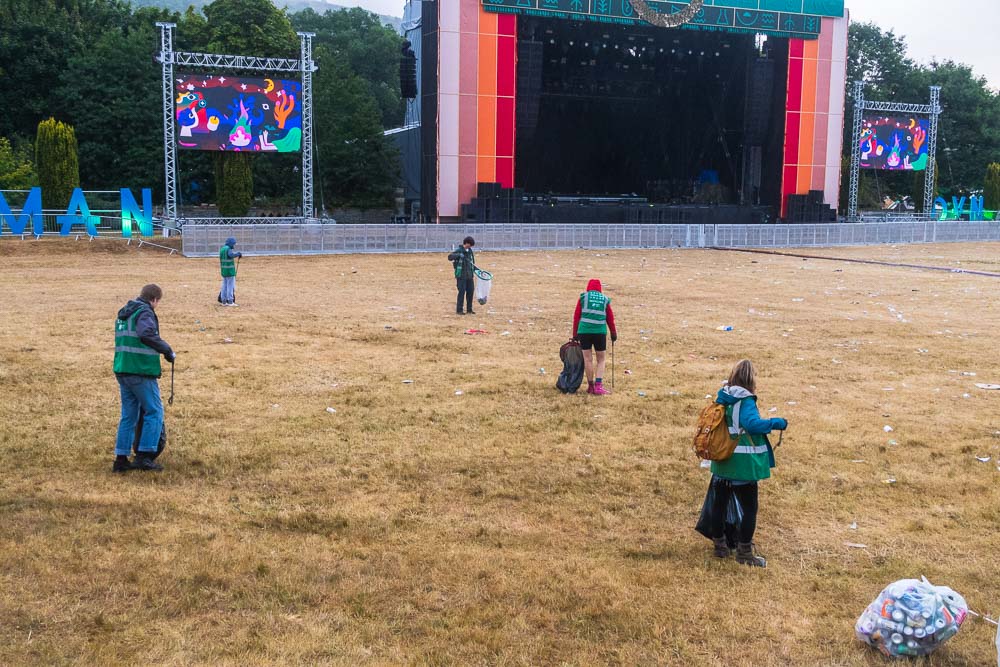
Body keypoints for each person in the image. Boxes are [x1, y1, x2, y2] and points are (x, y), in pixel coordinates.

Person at [705, 359, 787, 567]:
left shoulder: (723, 396)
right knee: (750, 508)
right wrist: (776, 423)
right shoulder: (746, 400)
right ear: (751, 379)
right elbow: (752, 424)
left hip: (722, 461)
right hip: (742, 465)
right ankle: (744, 552)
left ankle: (720, 546)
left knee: (719, 505)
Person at [113, 284, 175, 472]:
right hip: (140, 370)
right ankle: (144, 456)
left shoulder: (125, 313)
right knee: (154, 411)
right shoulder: (145, 312)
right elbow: (145, 333)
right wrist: (166, 350)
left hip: (122, 368)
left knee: (129, 416)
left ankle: (121, 459)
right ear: (155, 300)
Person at [571, 278, 618, 395]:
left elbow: (576, 316)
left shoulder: (583, 297)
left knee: (588, 359)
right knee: (601, 359)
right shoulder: (604, 299)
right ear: (600, 289)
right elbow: (610, 318)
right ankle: (598, 386)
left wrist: (575, 334)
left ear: (588, 287)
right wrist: (613, 333)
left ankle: (591, 386)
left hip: (584, 332)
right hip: (600, 332)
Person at [447, 236, 476, 314]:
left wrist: (476, 270)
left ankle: (469, 309)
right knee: (462, 292)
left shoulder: (470, 251)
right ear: (466, 243)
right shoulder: (459, 250)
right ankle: (459, 310)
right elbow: (450, 257)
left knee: (470, 292)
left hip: (469, 276)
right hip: (461, 275)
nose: (470, 246)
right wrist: (459, 255)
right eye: (470, 245)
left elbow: (472, 262)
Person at [219, 237, 243, 306]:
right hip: (230, 271)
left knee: (224, 286)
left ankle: (223, 301)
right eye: (233, 244)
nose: (234, 245)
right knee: (230, 286)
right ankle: (230, 301)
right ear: (230, 243)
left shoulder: (222, 249)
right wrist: (237, 254)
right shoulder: (228, 249)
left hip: (224, 270)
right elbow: (230, 255)